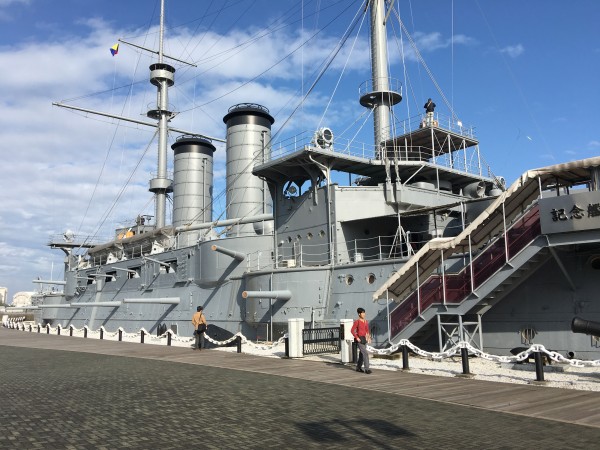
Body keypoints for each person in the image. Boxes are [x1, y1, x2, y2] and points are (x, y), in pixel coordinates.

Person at [351, 307, 371, 374]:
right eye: (362, 313)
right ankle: (367, 369)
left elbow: (367, 330)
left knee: (362, 354)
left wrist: (368, 337)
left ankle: (358, 367)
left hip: (364, 339)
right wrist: (357, 337)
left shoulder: (365, 321)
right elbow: (352, 330)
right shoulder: (357, 322)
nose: (364, 314)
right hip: (359, 339)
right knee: (365, 353)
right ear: (359, 314)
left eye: (364, 312)